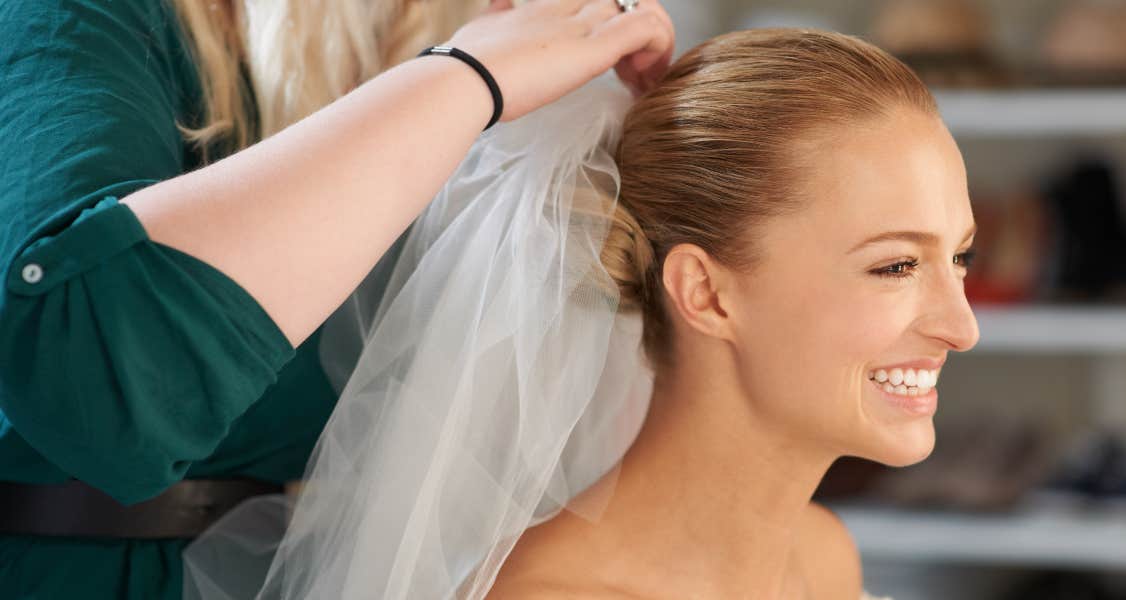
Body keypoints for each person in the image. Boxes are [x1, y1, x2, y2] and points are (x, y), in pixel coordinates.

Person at [184, 27, 979, 600]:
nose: (962, 324)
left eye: (962, 257)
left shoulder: (823, 558)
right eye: (897, 266)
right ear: (705, 292)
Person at [0, 0, 674, 597]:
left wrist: (575, 137)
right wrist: (462, 79)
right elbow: (83, 364)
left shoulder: (413, 42)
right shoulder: (74, 15)